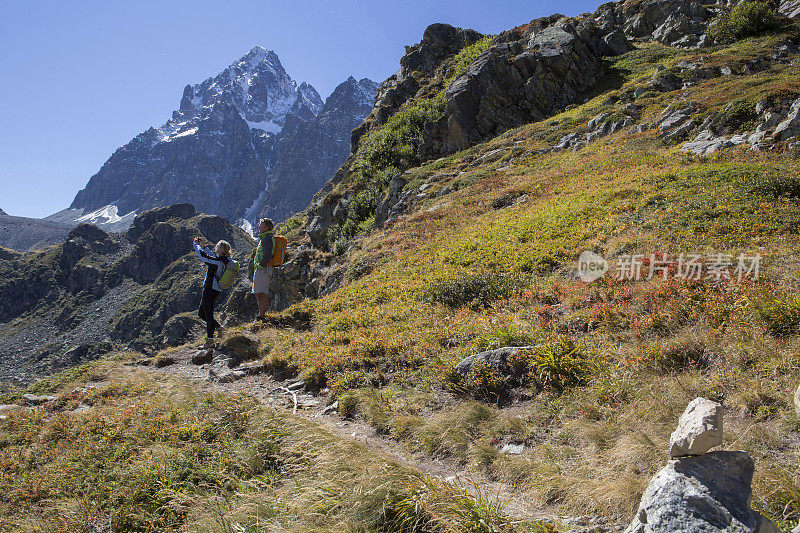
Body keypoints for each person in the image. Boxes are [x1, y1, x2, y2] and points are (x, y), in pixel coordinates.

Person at [193, 236, 232, 348]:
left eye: (218, 246)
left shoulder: (218, 262)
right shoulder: (222, 260)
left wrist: (196, 245)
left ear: (221, 249)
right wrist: (203, 246)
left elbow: (204, 258)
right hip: (214, 289)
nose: (216, 247)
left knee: (208, 315)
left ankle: (210, 340)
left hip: (210, 289)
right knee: (202, 313)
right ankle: (219, 328)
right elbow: (211, 256)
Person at [253, 218, 274, 320]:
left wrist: (261, 265)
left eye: (261, 224)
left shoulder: (267, 238)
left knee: (263, 292)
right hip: (261, 268)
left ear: (266, 227)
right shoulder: (265, 238)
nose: (259, 226)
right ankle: (261, 314)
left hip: (264, 269)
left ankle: (261, 316)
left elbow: (267, 254)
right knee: (258, 292)